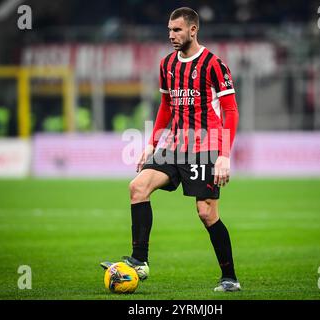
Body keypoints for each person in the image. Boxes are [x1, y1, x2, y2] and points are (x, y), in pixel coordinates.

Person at [102, 7, 241, 292]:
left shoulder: (214, 64)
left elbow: (231, 111)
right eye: (169, 30)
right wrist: (151, 143)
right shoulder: (167, 64)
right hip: (175, 146)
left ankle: (230, 277)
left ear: (193, 30)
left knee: (206, 213)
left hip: (206, 147)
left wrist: (225, 155)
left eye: (177, 30)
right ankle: (140, 260)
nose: (171, 35)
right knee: (137, 187)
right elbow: (166, 106)